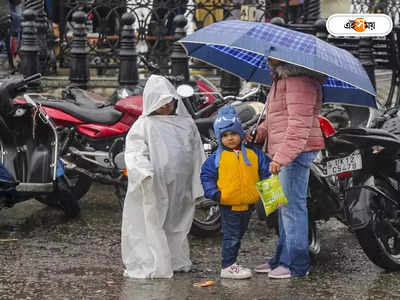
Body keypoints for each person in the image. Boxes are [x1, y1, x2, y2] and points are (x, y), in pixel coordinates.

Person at [121, 75, 206, 279]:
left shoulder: (186, 124)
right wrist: (143, 172)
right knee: (152, 221)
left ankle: (174, 258)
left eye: (169, 101)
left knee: (177, 221)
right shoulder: (144, 125)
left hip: (180, 185)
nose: (166, 106)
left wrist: (200, 179)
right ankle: (153, 261)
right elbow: (134, 152)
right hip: (154, 184)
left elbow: (196, 152)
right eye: (161, 101)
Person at [249, 58, 326, 279]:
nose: (266, 56)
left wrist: (281, 158)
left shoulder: (300, 82)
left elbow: (298, 126)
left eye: (271, 51)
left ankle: (297, 264)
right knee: (281, 207)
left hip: (294, 152)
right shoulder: (281, 80)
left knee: (293, 208)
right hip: (279, 150)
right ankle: (281, 258)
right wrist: (260, 131)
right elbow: (278, 118)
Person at [201, 105, 271, 279]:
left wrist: (271, 197)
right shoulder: (216, 158)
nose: (230, 138)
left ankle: (230, 263)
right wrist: (214, 194)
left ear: (240, 133)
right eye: (224, 135)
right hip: (228, 204)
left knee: (238, 234)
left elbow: (266, 172)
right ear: (219, 137)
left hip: (248, 203)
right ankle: (228, 265)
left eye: (233, 133)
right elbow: (206, 176)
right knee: (231, 235)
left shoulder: (253, 154)